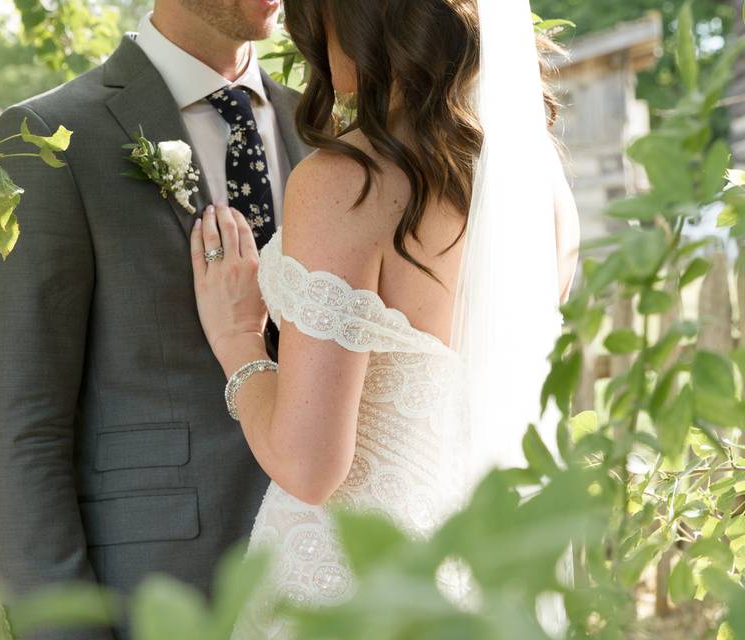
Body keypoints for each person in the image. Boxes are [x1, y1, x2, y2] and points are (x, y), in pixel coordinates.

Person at [189, 0, 581, 637]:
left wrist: (238, 341)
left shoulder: (348, 182)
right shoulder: (542, 188)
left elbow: (310, 466)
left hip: (352, 575)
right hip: (476, 564)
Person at [0, 1, 306, 638]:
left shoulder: (323, 132)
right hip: (156, 589)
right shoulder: (49, 136)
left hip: (329, 581)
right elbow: (22, 426)